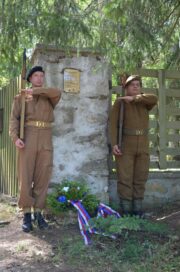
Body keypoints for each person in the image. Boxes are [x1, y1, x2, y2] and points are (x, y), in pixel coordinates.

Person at [9, 66, 61, 232]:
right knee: (26, 175)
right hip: (28, 136)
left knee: (43, 175)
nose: (39, 78)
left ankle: (39, 213)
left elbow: (57, 92)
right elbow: (14, 120)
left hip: (45, 135)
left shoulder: (49, 97)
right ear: (30, 78)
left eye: (41, 76)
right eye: (36, 76)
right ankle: (26, 214)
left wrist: (35, 92)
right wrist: (16, 138)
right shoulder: (20, 98)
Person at [109, 75, 157, 216]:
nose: (136, 86)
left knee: (140, 176)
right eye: (132, 85)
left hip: (142, 143)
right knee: (125, 177)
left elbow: (154, 98)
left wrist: (136, 98)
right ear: (126, 88)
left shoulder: (144, 101)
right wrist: (114, 144)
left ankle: (137, 210)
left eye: (138, 84)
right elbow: (112, 125)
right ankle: (126, 211)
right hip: (126, 143)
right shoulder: (120, 103)